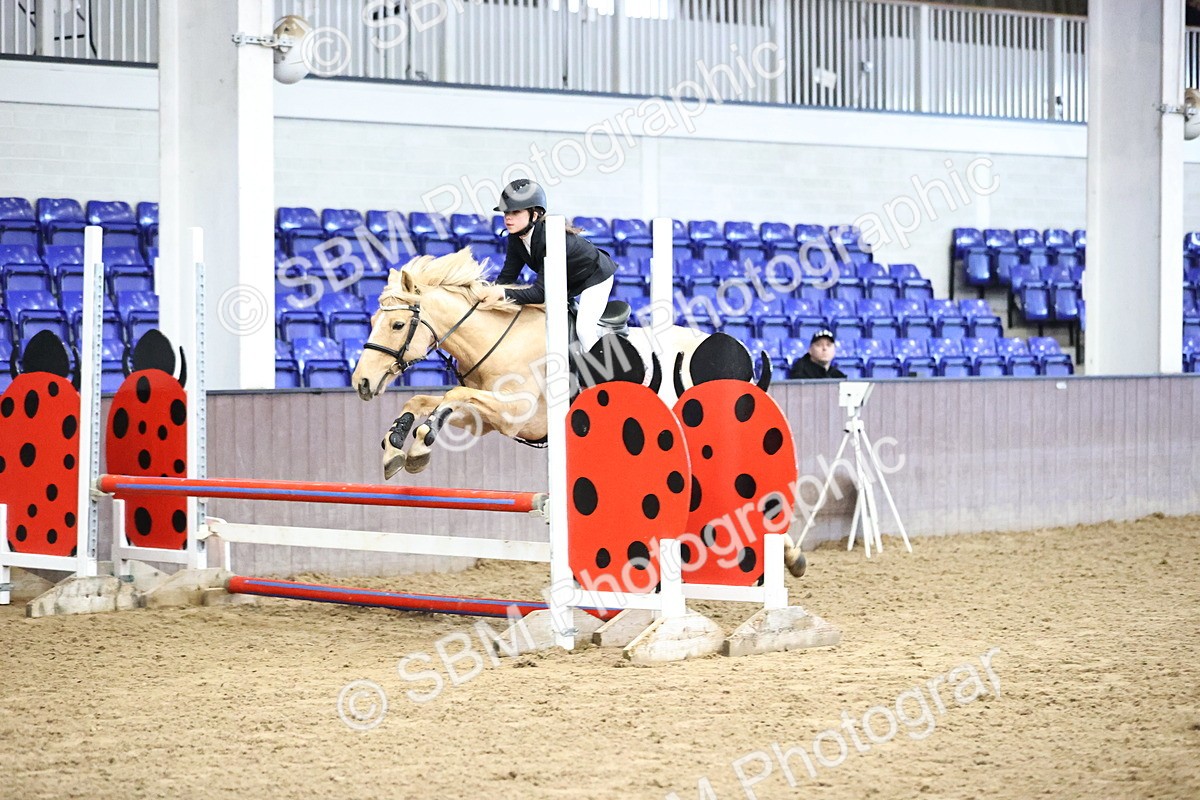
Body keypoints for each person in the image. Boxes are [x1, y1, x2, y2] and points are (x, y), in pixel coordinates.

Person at [477, 178, 615, 351]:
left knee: (584, 329)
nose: (508, 218)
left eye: (515, 212)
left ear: (534, 214)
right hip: (569, 282)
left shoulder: (550, 238)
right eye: (506, 213)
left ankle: (603, 375)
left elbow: (541, 293)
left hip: (595, 276)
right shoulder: (515, 238)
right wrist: (485, 295)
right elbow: (507, 277)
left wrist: (502, 292)